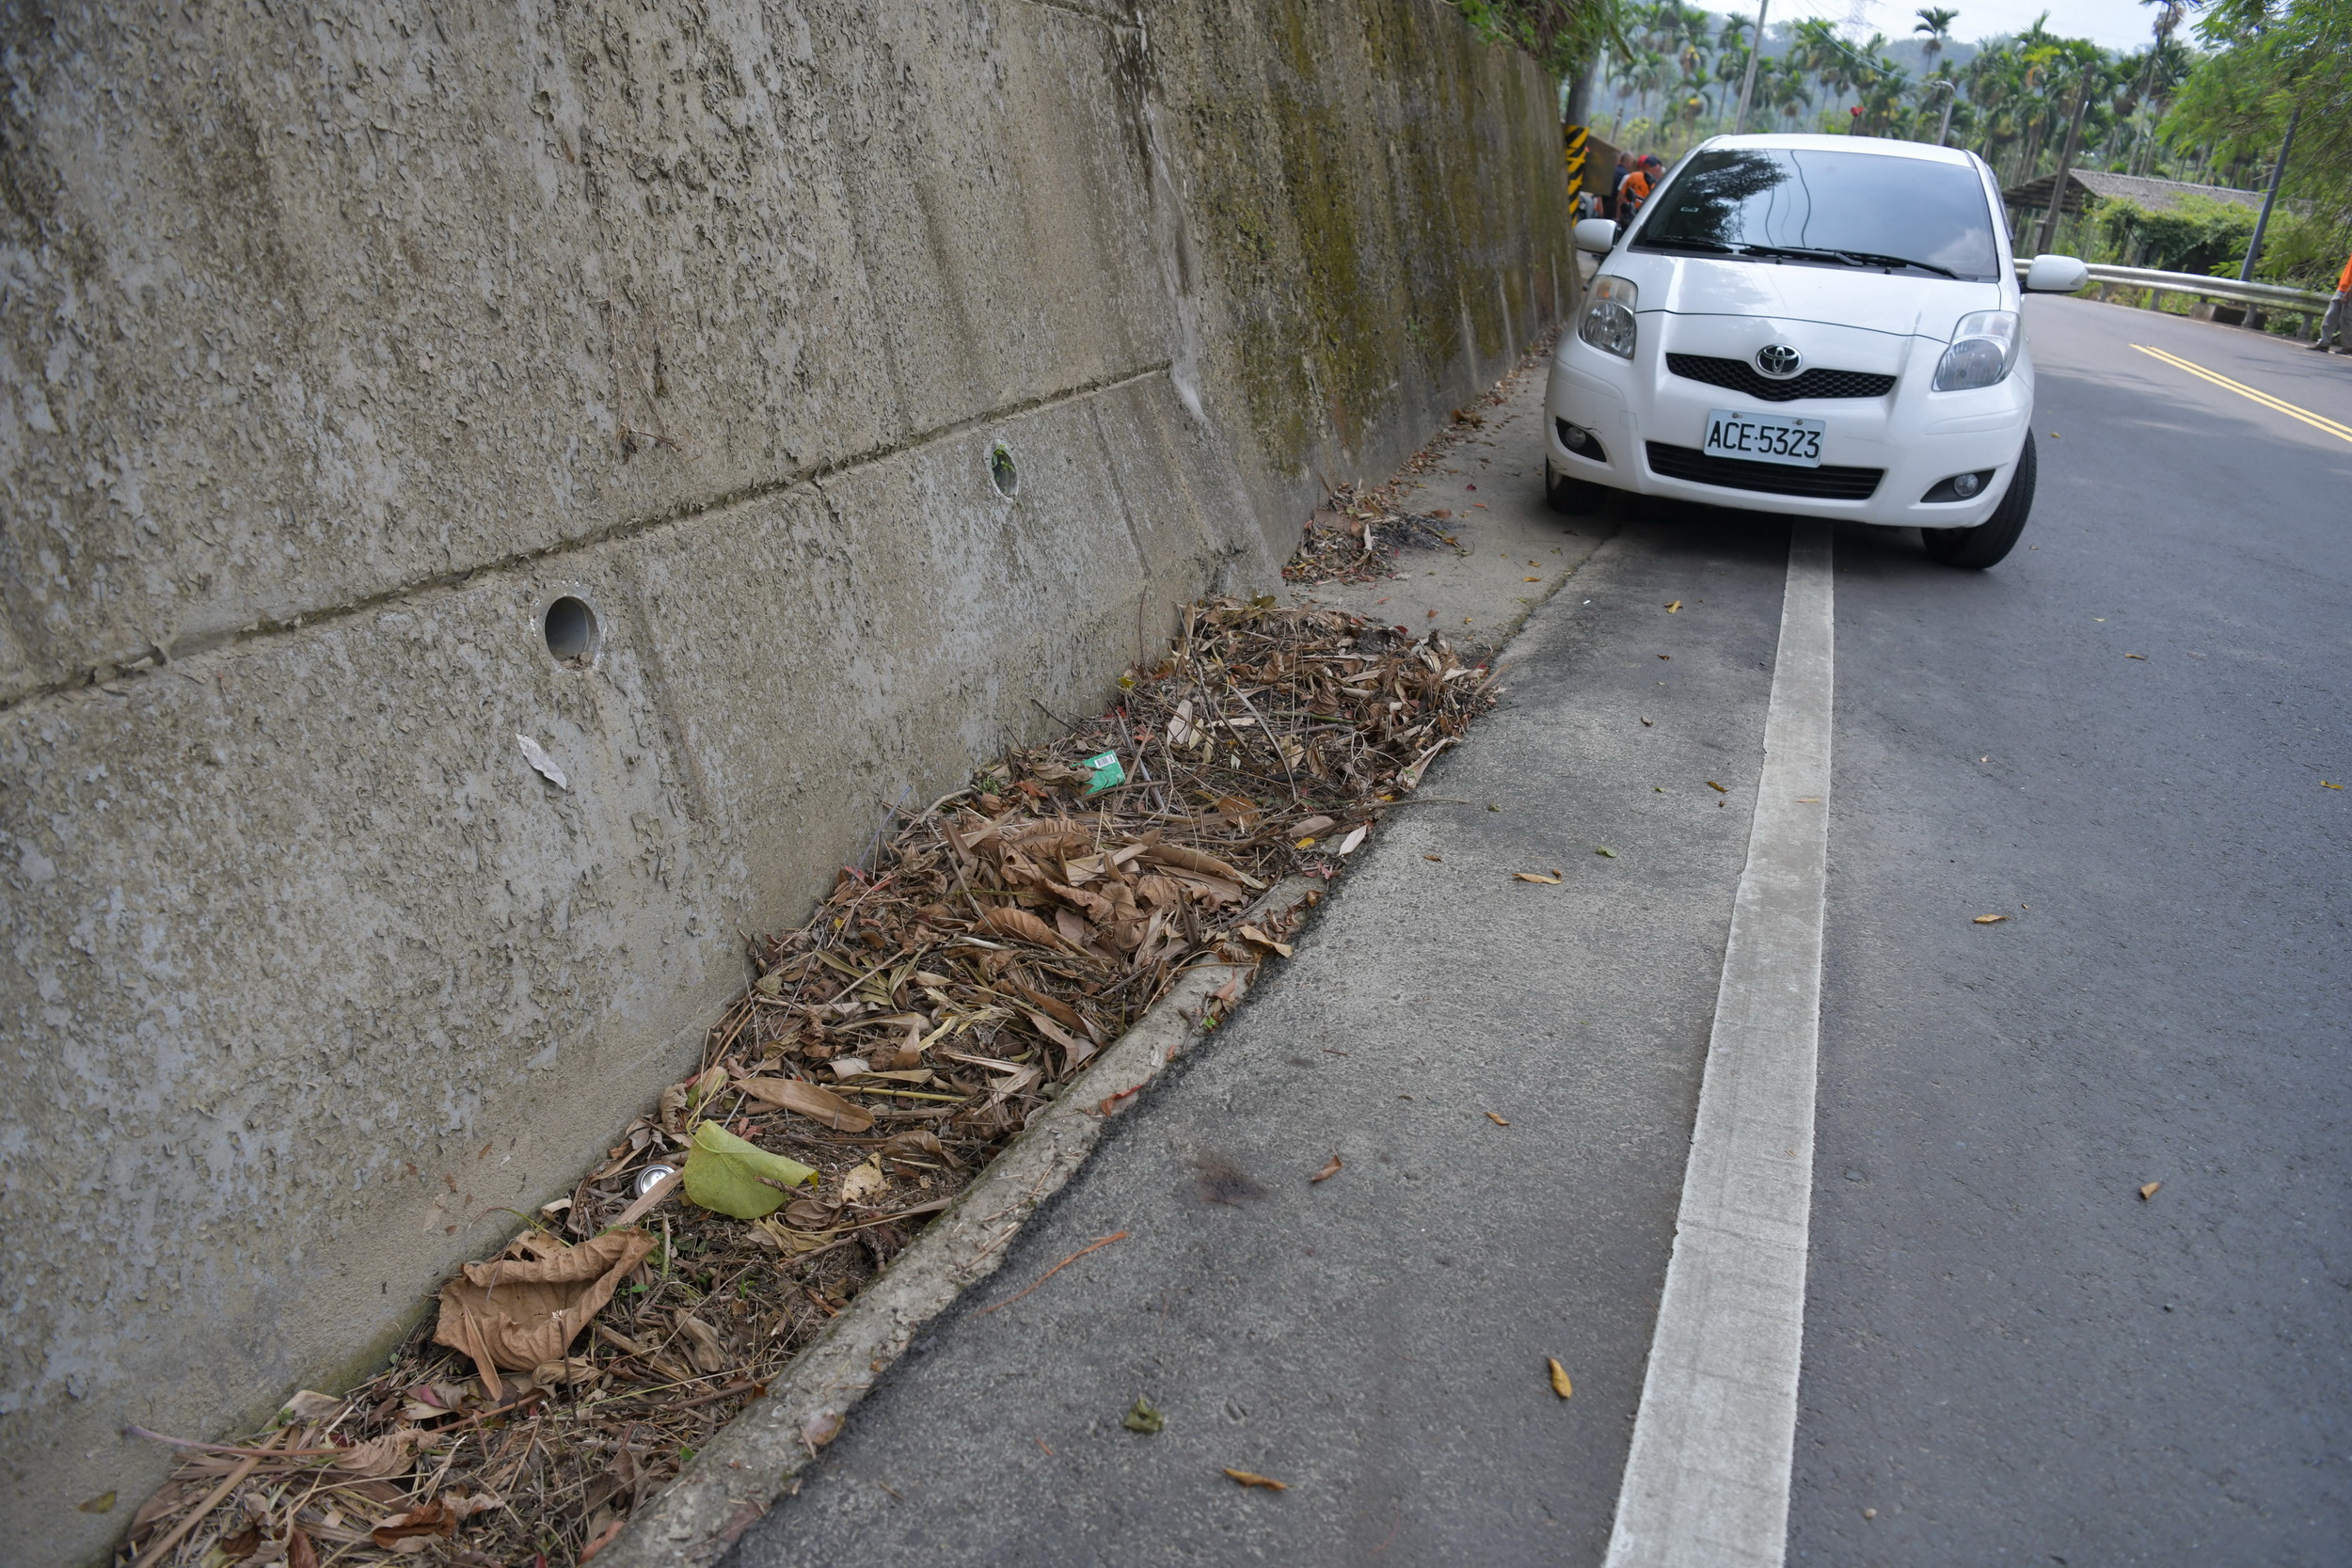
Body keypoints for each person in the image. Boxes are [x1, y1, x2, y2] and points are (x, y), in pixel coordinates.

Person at [2311, 249, 2352, 354]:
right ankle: (2324, 342)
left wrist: (2348, 292)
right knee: (2331, 315)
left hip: (2349, 291)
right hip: (2342, 288)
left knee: (2346, 319)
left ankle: (2348, 346)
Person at [1619, 154, 1664, 223]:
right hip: (1637, 215)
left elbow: (1620, 198)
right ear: (1647, 167)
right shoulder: (1634, 177)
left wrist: (1618, 217)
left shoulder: (1631, 176)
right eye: (1656, 170)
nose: (1657, 173)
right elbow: (1621, 198)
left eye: (1658, 171)